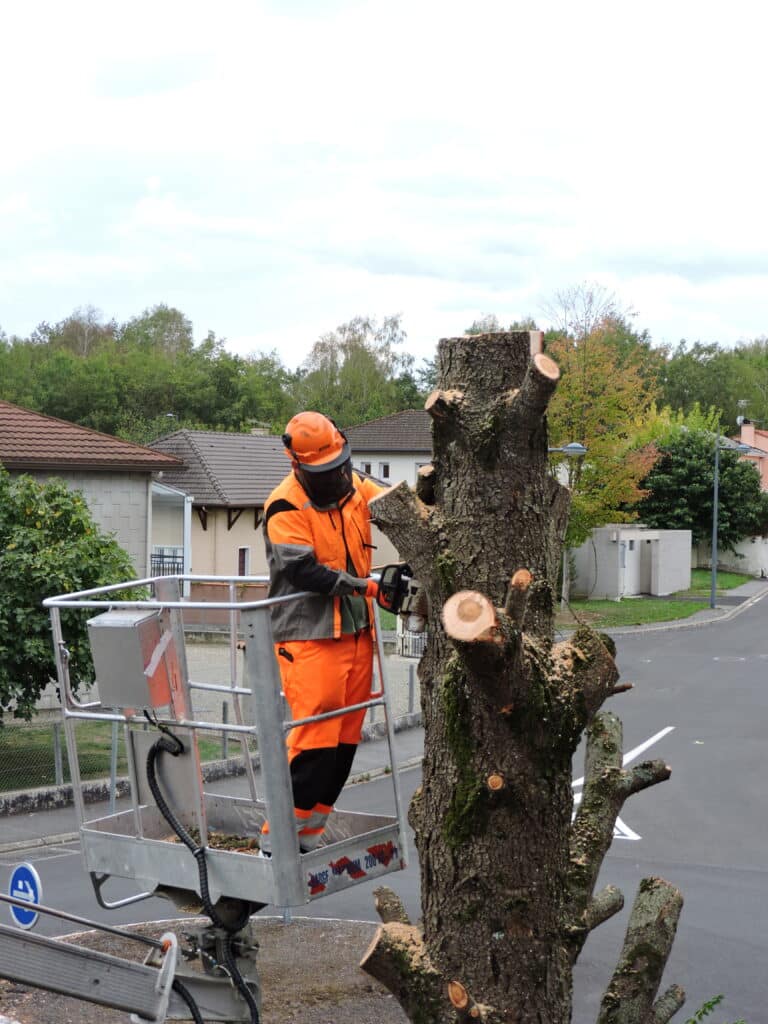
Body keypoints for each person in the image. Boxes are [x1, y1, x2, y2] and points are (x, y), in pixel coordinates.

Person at [260, 411, 383, 855]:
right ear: (297, 465)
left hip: (356, 633)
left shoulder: (354, 487)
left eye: (339, 465)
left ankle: (309, 837)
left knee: (345, 742)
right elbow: (303, 570)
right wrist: (369, 587)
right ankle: (276, 847)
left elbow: (390, 502)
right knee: (314, 744)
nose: (336, 477)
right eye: (324, 471)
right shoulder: (285, 504)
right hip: (310, 637)